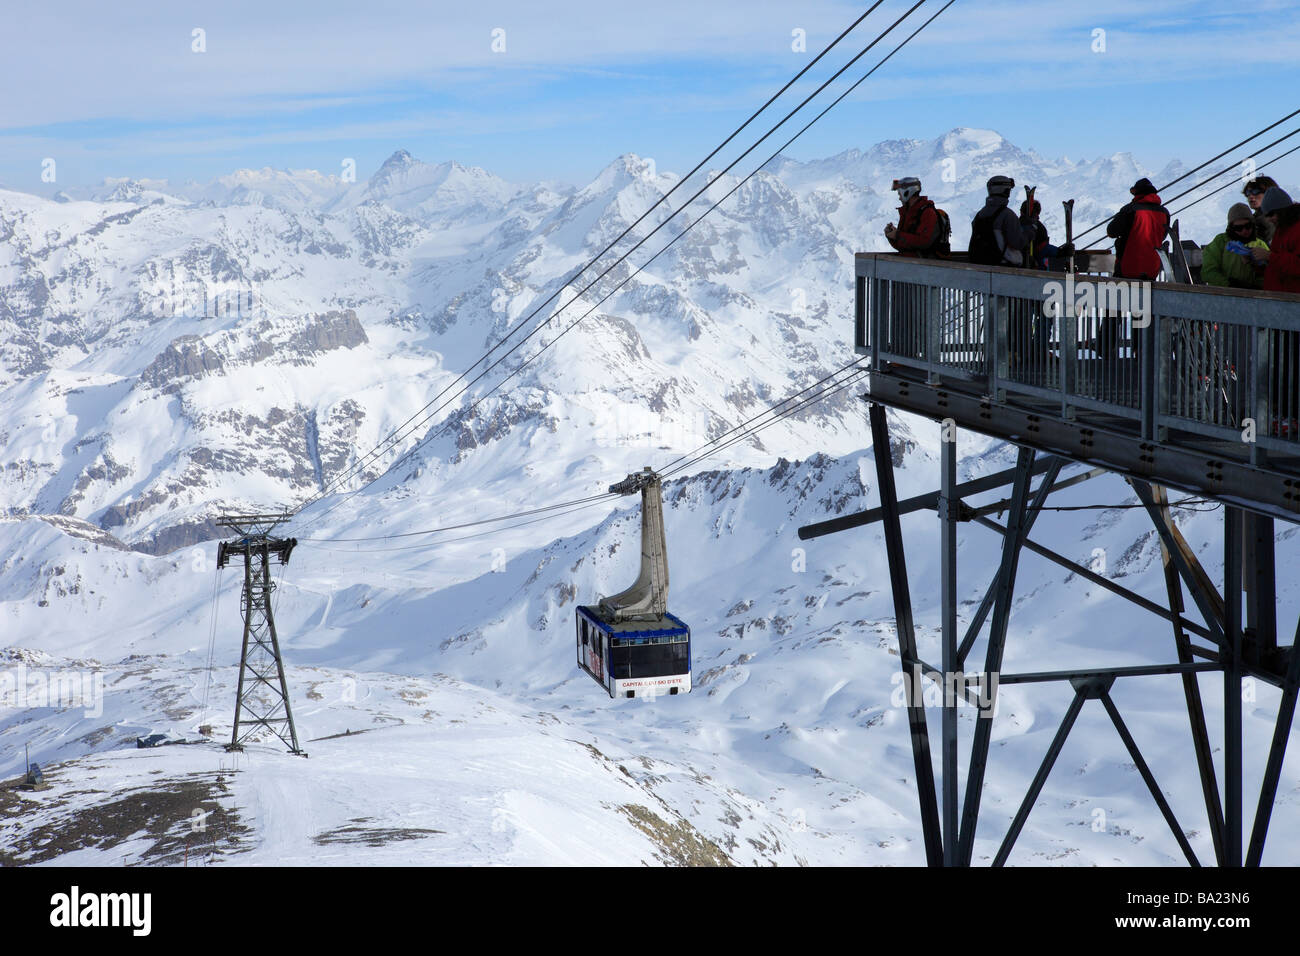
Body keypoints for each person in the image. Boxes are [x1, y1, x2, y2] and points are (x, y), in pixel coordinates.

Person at [968, 175, 1035, 266]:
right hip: (1004, 268)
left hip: (981, 265)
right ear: (1006, 191)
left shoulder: (979, 215)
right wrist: (1030, 231)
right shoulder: (1007, 215)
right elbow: (1017, 243)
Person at [1201, 203, 1269, 289]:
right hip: (1222, 296)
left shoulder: (1260, 245)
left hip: (1252, 297)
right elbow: (1208, 272)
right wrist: (1229, 284)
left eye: (1247, 226)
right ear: (1231, 228)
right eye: (1239, 228)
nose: (1244, 231)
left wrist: (1254, 287)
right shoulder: (1221, 242)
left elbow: (1269, 274)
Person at [883, 177, 947, 258]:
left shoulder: (928, 213)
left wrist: (898, 235)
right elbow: (904, 246)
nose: (899, 198)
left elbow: (924, 242)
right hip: (910, 264)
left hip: (926, 266)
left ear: (907, 192)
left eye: (899, 194)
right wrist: (892, 236)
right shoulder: (907, 213)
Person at [1244, 176, 1280, 245]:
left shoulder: (1277, 217)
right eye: (1248, 192)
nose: (1251, 196)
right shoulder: (1251, 220)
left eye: (1256, 191)